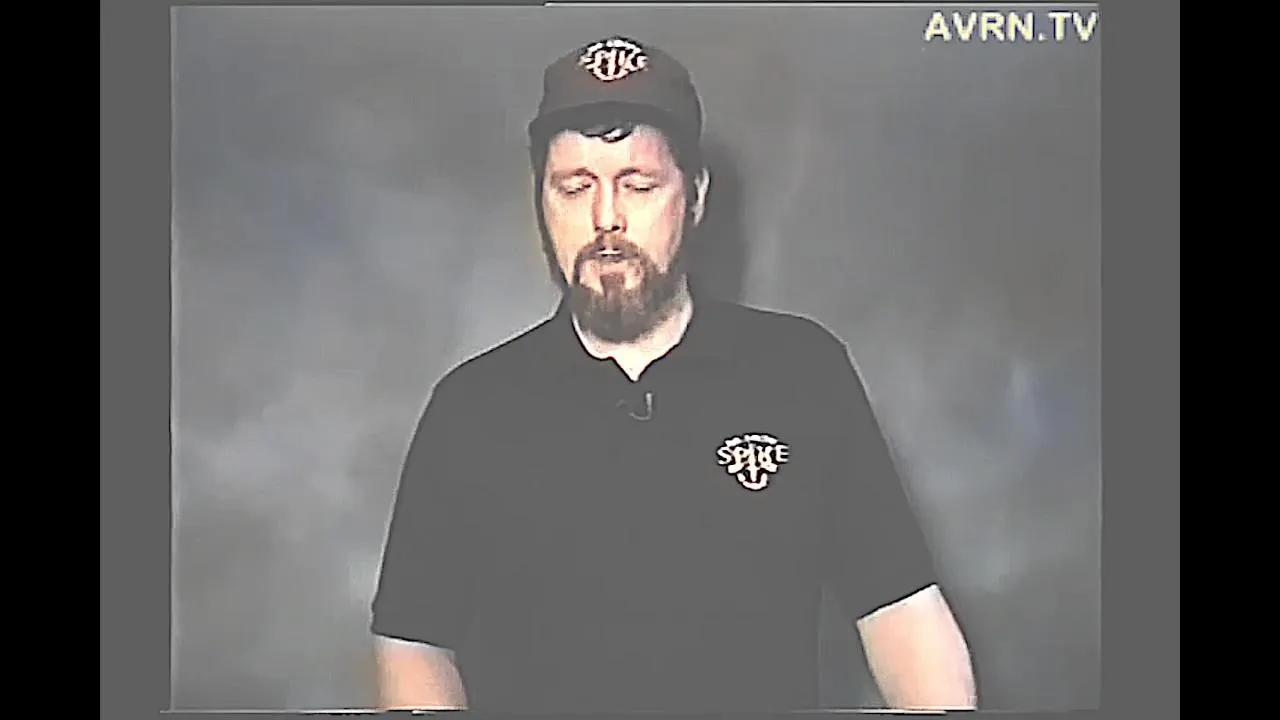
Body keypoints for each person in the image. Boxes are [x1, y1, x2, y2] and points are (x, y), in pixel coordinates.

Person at [369, 35, 977, 713]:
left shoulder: (804, 373)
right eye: (574, 187)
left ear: (695, 196)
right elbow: (414, 642)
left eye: (638, 185)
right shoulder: (470, 410)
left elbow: (901, 610)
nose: (605, 219)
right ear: (541, 202)